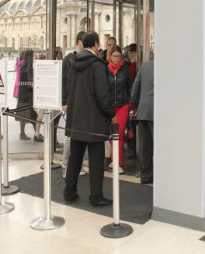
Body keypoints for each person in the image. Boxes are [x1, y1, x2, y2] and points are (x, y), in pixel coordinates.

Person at [64, 30, 114, 207]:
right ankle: (96, 196)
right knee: (96, 160)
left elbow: (69, 89)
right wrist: (111, 113)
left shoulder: (72, 62)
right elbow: (103, 95)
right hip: (94, 120)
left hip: (76, 118)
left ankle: (69, 192)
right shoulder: (97, 65)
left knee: (75, 157)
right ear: (95, 44)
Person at [61, 31, 86, 178]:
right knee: (69, 136)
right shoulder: (68, 59)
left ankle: (78, 166)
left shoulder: (86, 58)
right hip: (71, 102)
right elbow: (63, 81)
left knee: (81, 136)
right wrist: (64, 102)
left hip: (83, 102)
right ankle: (66, 167)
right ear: (79, 42)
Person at [106, 45, 132, 174]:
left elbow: (130, 87)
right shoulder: (106, 70)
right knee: (111, 134)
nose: (117, 59)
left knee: (120, 134)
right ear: (110, 57)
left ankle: (118, 163)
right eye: (114, 56)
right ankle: (113, 159)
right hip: (110, 107)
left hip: (122, 106)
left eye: (119, 56)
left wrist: (130, 103)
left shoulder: (125, 70)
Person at [131, 59, 154, 184]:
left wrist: (137, 106)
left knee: (145, 146)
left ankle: (145, 176)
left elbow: (135, 89)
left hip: (143, 111)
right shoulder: (167, 68)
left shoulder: (144, 66)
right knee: (159, 146)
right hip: (158, 113)